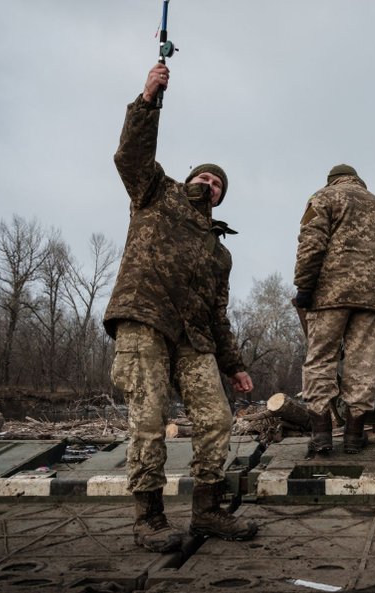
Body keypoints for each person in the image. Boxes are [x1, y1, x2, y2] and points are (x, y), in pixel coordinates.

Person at [104, 62, 257, 552]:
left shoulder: (219, 250)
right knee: (148, 422)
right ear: (190, 178)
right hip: (144, 320)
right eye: (205, 177)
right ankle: (148, 518)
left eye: (218, 185)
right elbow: (130, 154)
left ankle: (208, 512)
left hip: (194, 338)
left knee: (216, 420)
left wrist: (234, 366)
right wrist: (149, 98)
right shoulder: (156, 193)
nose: (210, 184)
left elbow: (218, 313)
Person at [294, 164, 375, 455]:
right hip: (371, 298)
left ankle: (322, 436)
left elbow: (310, 244)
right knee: (362, 364)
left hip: (329, 295)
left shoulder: (323, 197)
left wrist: (304, 287)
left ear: (331, 180)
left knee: (320, 360)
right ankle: (353, 436)